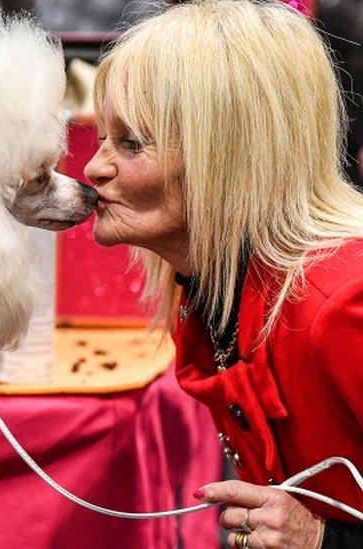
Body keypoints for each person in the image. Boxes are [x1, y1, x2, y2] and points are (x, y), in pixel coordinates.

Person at [83, 1, 363, 547]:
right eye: (101, 138)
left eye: (132, 142)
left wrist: (323, 541)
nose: (94, 168)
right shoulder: (206, 292)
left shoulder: (344, 304)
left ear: (226, 155)